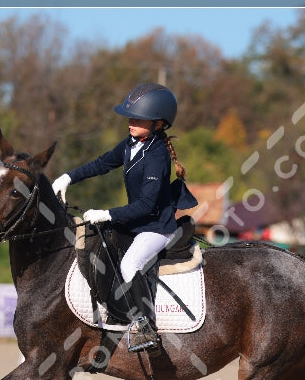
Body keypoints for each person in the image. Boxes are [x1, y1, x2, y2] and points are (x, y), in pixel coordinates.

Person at [51, 82, 197, 353]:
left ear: (158, 123)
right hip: (136, 223)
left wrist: (107, 213)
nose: (130, 122)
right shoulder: (130, 144)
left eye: (137, 118)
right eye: (130, 116)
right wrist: (68, 177)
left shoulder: (157, 156)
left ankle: (144, 325)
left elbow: (146, 205)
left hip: (156, 226)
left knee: (130, 264)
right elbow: (101, 163)